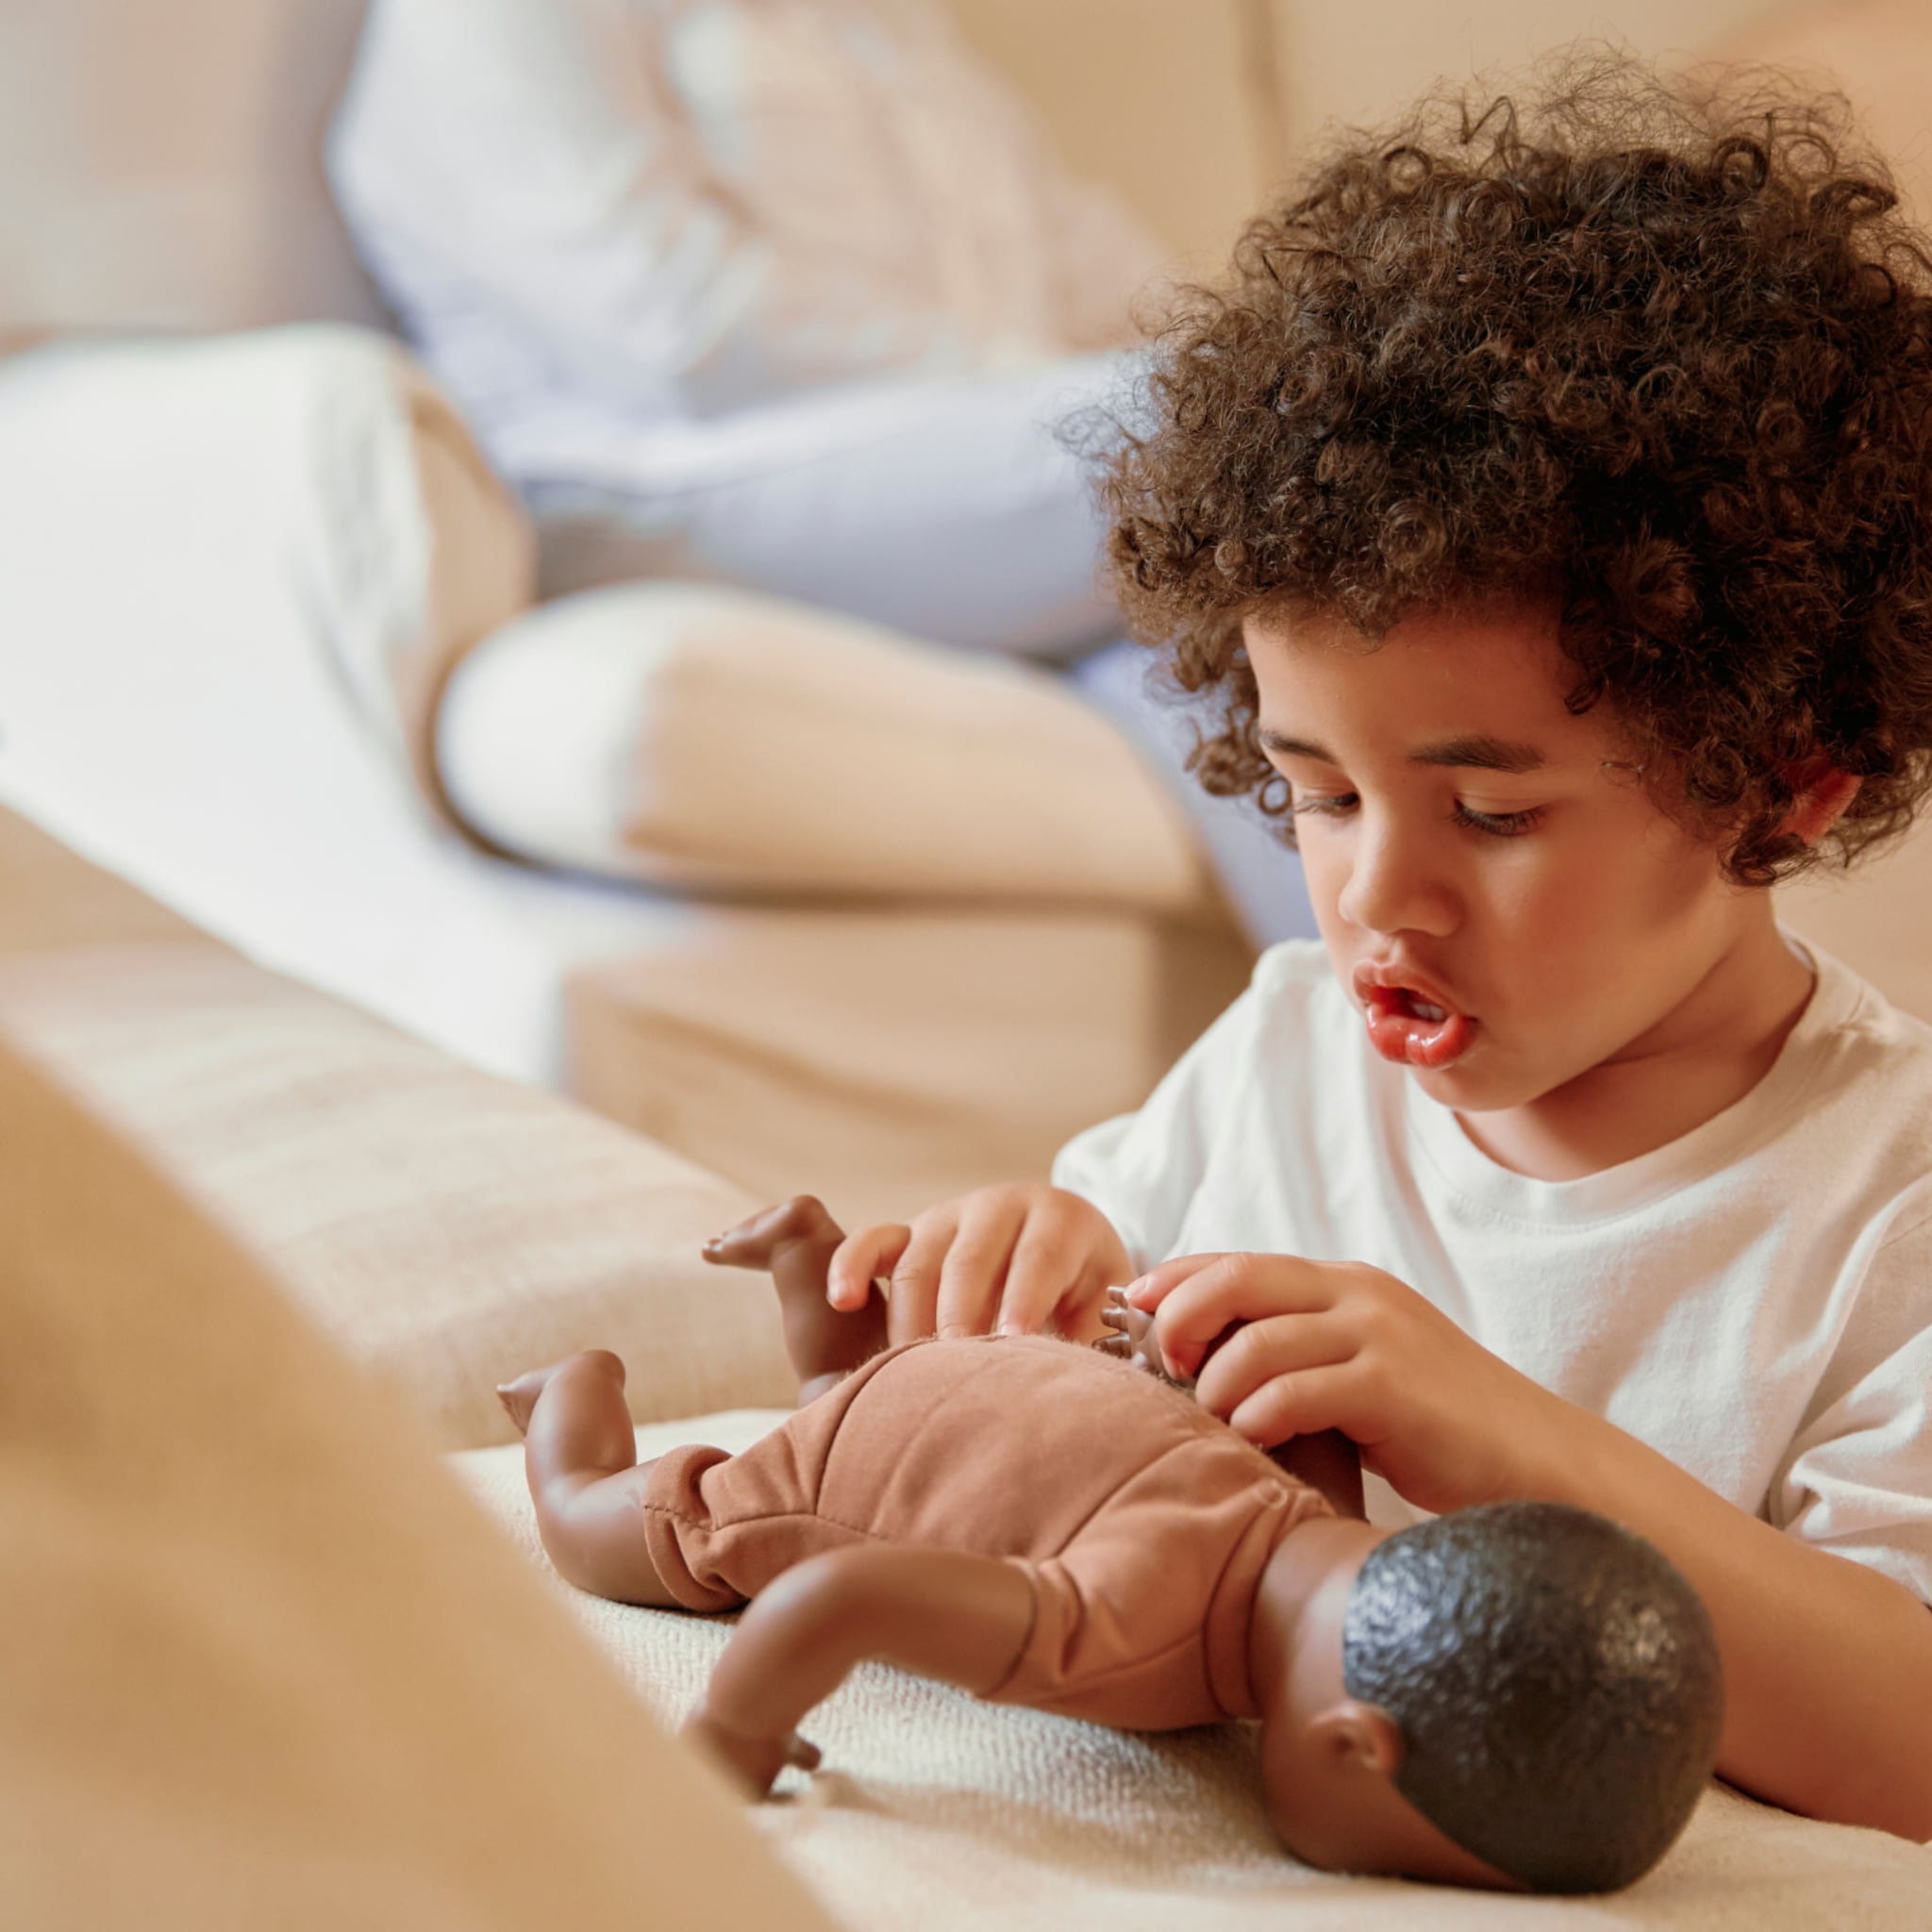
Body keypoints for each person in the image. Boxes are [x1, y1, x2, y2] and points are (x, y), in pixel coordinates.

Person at [795, 58, 1932, 1842]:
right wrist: (1028, 1270)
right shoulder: (1280, 1055)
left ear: (1779, 787)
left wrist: (1483, 1425)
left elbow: (1915, 1740)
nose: (1372, 903)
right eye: (1318, 795)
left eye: (1490, 816)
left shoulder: (1893, 1203)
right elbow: (1066, 1443)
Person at [499, 1197, 1724, 1894]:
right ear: (1357, 1745)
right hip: (870, 1455)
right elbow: (835, 1588)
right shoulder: (1127, 1623)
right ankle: (570, 1396)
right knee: (606, 1528)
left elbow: (1301, 1416)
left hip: (1005, 1391)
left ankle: (806, 1266)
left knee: (848, 1385)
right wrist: (732, 1741)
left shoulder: (1327, 1521)